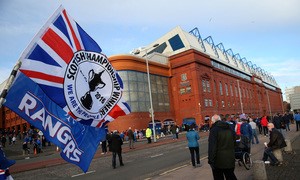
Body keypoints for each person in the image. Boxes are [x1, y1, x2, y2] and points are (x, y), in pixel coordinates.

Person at [208, 114, 237, 180]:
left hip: (218, 160)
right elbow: (235, 141)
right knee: (230, 176)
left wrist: (211, 160)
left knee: (218, 177)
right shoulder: (229, 127)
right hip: (230, 157)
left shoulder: (214, 130)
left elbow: (212, 147)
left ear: (213, 121)